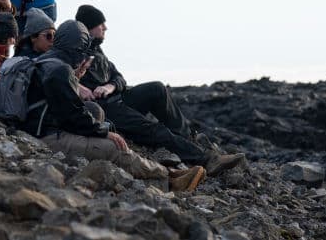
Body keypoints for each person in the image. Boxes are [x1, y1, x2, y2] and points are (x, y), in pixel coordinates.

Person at [21, 20, 206, 192]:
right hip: (47, 136)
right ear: (79, 47)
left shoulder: (46, 61)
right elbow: (73, 116)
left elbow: (63, 105)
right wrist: (103, 132)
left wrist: (77, 78)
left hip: (41, 126)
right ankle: (170, 178)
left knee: (96, 112)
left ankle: (158, 173)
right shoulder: (60, 71)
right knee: (113, 147)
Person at [74, 5, 246, 177]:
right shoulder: (74, 50)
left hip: (118, 97)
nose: (105, 28)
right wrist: (80, 87)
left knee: (157, 88)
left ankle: (187, 140)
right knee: (153, 129)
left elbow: (119, 77)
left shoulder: (98, 50)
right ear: (89, 26)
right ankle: (206, 160)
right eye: (100, 24)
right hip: (106, 109)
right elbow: (55, 73)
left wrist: (109, 86)